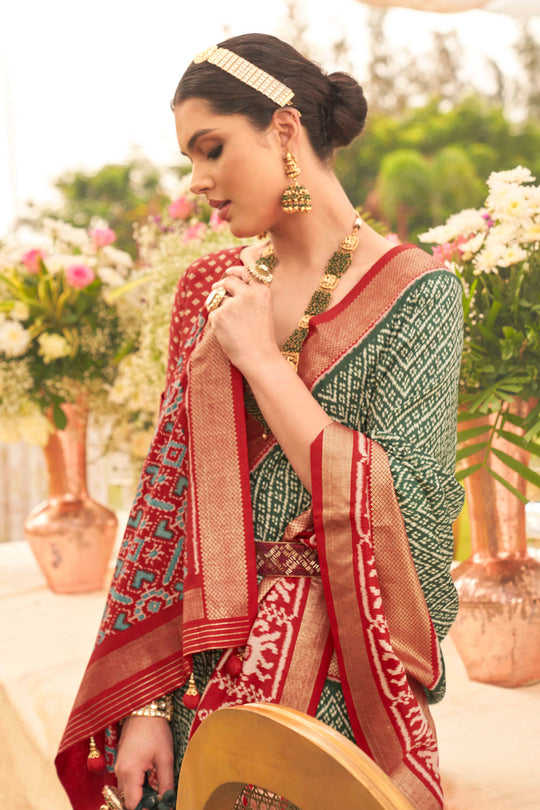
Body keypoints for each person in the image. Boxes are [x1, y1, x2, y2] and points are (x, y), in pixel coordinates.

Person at [56, 33, 464, 810]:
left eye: (211, 148)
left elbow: (406, 512)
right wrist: (144, 706)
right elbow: (165, 500)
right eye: (189, 160)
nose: (199, 181)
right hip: (191, 681)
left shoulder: (418, 294)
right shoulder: (213, 285)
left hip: (340, 681)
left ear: (283, 129)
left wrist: (266, 365)